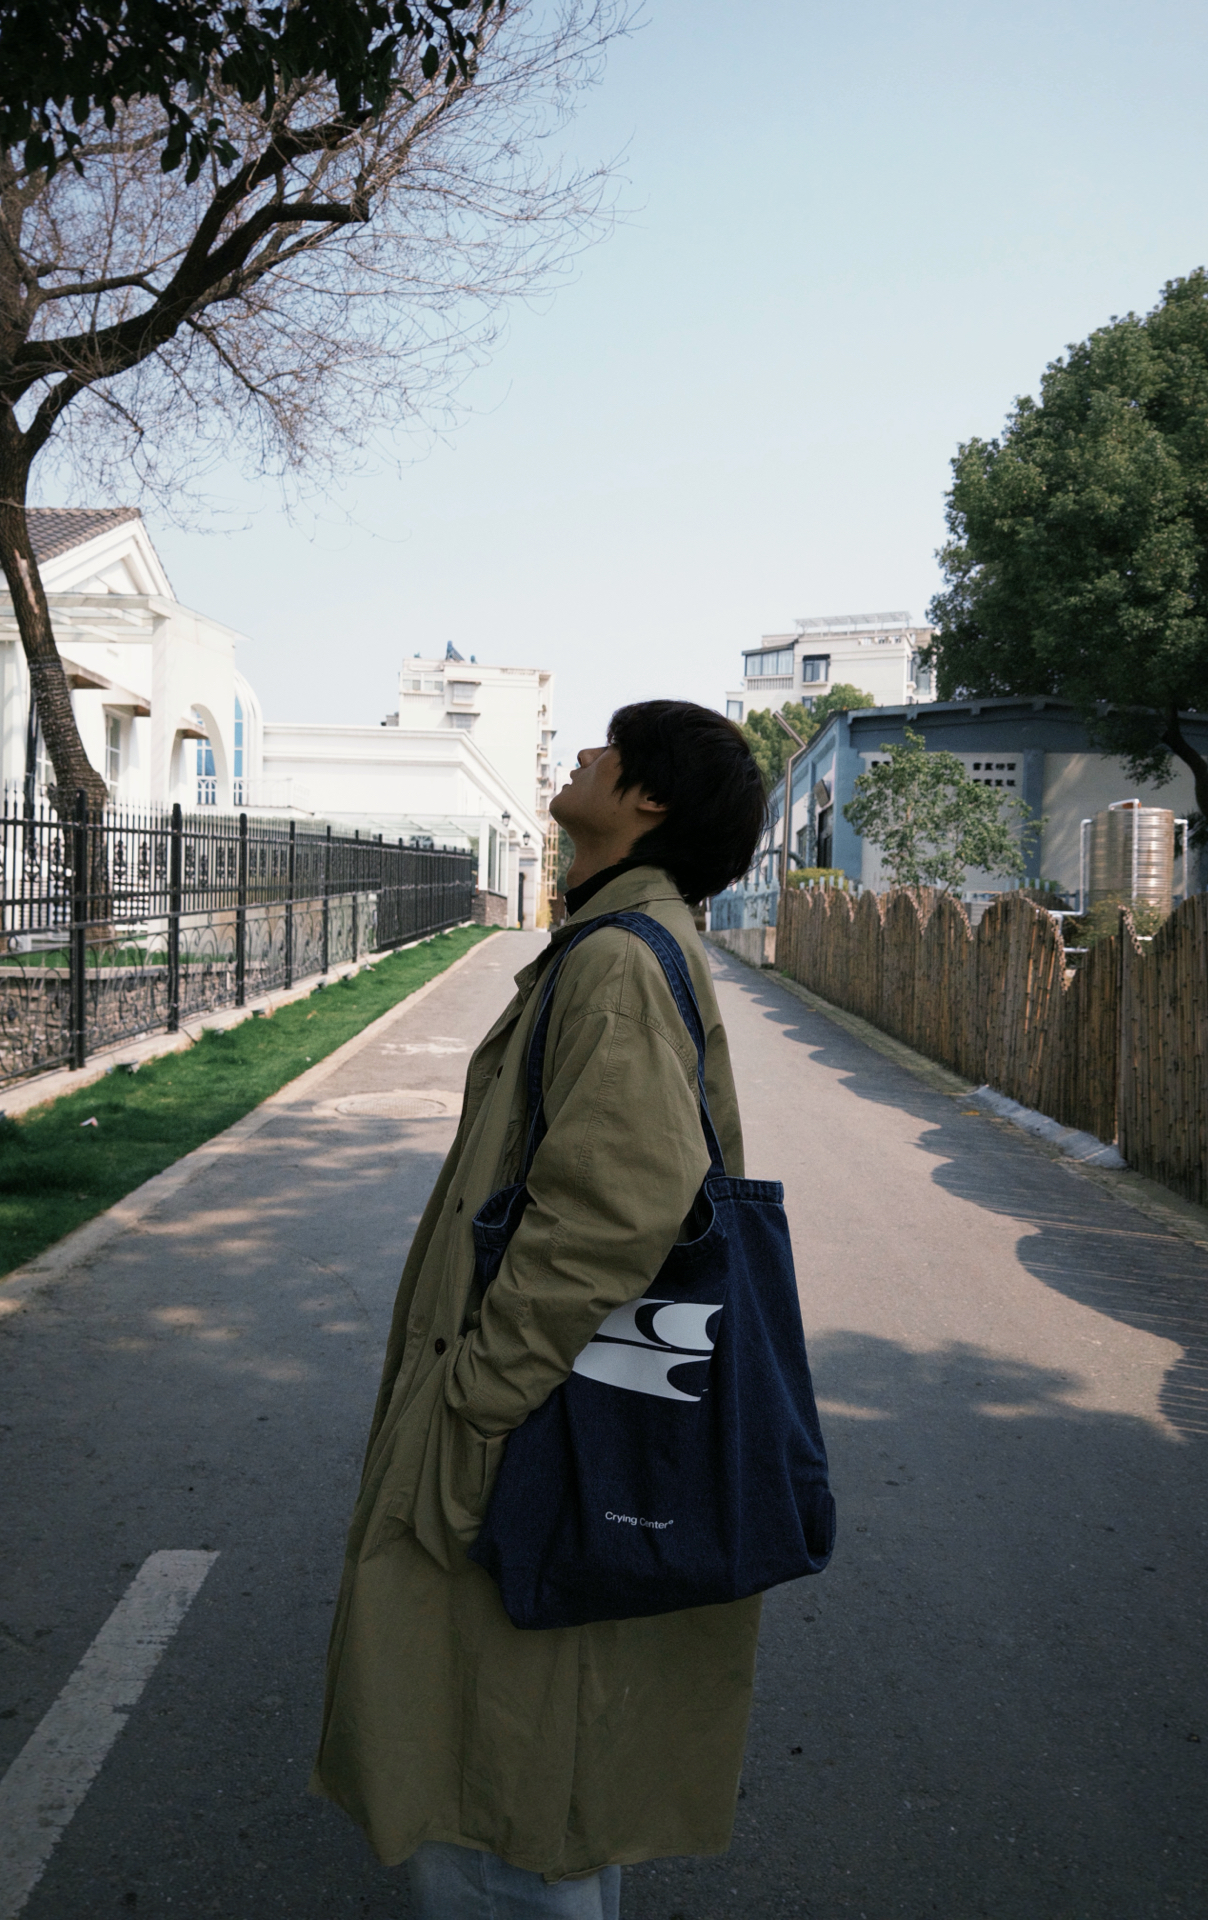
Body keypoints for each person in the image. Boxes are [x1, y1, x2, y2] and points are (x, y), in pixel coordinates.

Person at [312, 700, 769, 1917]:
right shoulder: (620, 941)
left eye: (609, 747)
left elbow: (616, 1205)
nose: (581, 756)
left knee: (496, 1780)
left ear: (649, 801)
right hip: (550, 1407)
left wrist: (477, 1398)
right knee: (540, 1776)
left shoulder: (617, 961)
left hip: (529, 1418)